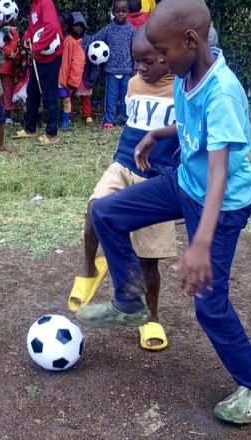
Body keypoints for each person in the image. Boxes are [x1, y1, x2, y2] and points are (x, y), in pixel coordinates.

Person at [76, 0, 251, 425]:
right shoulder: (187, 74)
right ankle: (129, 301)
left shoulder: (222, 92)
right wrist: (157, 134)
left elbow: (219, 172)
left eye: (164, 53)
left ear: (190, 40)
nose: (160, 61)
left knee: (209, 305)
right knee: (105, 212)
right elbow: (190, 128)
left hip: (220, 205)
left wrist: (200, 242)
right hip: (184, 183)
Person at [69, 26, 178, 351]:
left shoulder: (184, 90)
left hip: (157, 180)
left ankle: (150, 316)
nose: (140, 68)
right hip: (124, 164)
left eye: (148, 61)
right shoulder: (132, 84)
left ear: (167, 57)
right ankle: (90, 269)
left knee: (148, 260)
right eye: (136, 61)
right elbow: (132, 124)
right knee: (95, 208)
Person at [15, 0, 63, 145]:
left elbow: (52, 28)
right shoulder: (35, 4)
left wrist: (37, 46)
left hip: (50, 57)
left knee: (49, 94)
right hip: (38, 57)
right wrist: (27, 38)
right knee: (32, 91)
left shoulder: (46, 3)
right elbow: (34, 27)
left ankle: (52, 133)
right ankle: (30, 128)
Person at [89, 0, 135, 128]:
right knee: (111, 96)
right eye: (117, 11)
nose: (120, 14)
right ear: (113, 12)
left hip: (127, 71)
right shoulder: (108, 28)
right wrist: (84, 41)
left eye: (123, 11)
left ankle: (126, 119)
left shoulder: (131, 30)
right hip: (111, 70)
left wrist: (135, 67)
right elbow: (95, 38)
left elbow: (135, 49)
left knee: (126, 97)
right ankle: (109, 119)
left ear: (128, 12)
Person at [57, 10, 85, 131]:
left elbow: (77, 63)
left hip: (64, 79)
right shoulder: (55, 40)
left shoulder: (73, 43)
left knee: (66, 100)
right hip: (54, 77)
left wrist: (72, 81)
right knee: (55, 99)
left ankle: (65, 121)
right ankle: (57, 119)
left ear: (64, 27)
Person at [69, 12, 94, 124]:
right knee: (69, 94)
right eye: (76, 25)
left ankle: (87, 114)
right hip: (72, 72)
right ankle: (69, 114)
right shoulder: (68, 40)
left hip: (84, 72)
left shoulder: (87, 40)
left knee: (85, 94)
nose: (79, 28)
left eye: (81, 25)